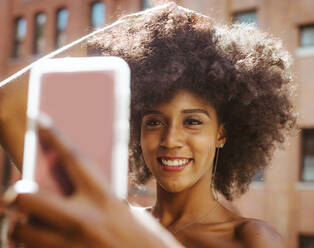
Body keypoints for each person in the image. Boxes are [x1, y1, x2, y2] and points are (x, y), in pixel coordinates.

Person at [0, 3, 295, 247]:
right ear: (136, 131)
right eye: (154, 121)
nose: (170, 138)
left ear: (222, 133)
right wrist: (130, 30)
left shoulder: (250, 238)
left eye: (192, 121)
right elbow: (6, 105)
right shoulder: (107, 220)